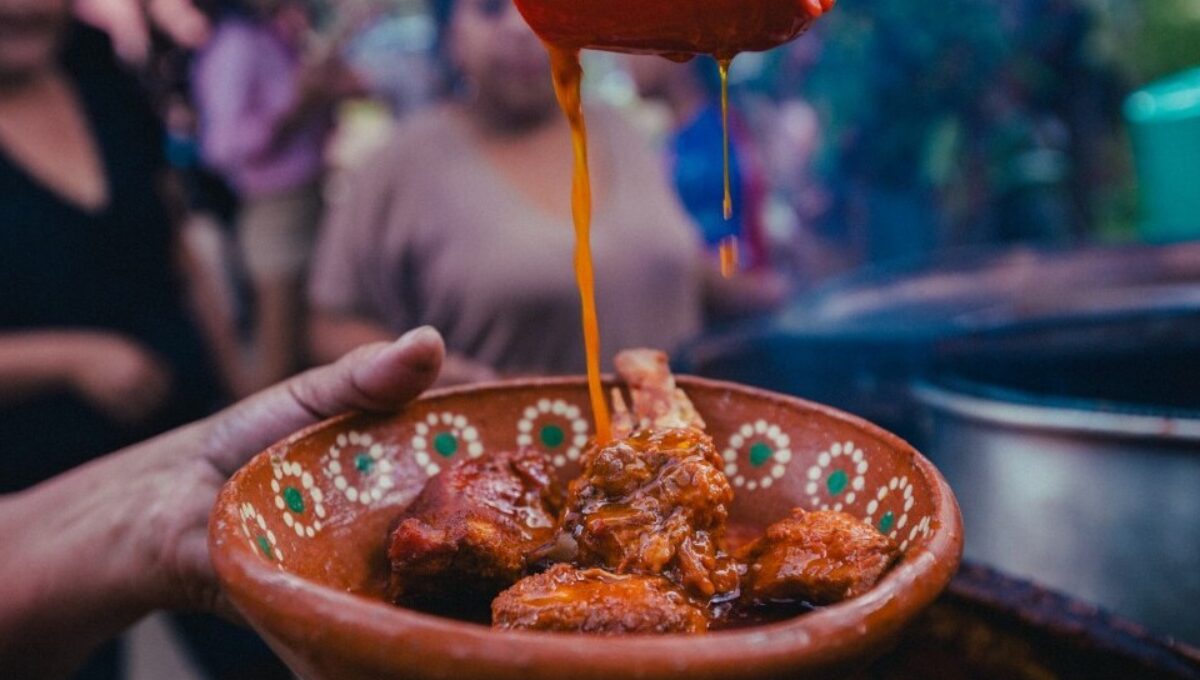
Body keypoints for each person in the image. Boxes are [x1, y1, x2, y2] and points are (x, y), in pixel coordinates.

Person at [0, 1, 288, 680]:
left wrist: (240, 383)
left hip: (180, 425)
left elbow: (178, 249)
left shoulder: (101, 76)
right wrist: (67, 357)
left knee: (257, 664)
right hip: (43, 474)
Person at [0, 328, 445, 680]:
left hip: (181, 415)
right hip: (41, 444)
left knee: (252, 673)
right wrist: (69, 356)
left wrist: (214, 432)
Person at [308, 0, 703, 382]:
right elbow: (329, 328)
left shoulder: (620, 129)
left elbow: (660, 262)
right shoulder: (400, 164)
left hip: (669, 434)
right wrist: (438, 375)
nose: (522, 27)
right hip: (504, 441)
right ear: (451, 34)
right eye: (491, 8)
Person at [193, 0, 362, 393]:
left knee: (309, 346)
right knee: (277, 361)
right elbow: (221, 147)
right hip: (275, 212)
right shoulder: (235, 46)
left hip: (308, 200)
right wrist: (295, 104)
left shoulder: (275, 36)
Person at [627, 54, 791, 323]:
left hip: (729, 335)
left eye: (639, 45)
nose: (628, 59)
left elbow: (721, 270)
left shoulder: (703, 150)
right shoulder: (694, 135)